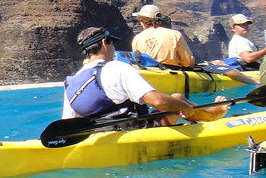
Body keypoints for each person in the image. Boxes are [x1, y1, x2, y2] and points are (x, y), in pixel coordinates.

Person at [62, 27, 227, 124]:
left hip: (98, 133)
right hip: (132, 132)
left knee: (175, 98)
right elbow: (158, 101)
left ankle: (210, 112)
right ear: (105, 43)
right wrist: (185, 108)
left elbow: (68, 122)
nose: (113, 47)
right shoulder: (119, 68)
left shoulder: (73, 80)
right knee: (177, 99)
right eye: (112, 42)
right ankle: (214, 114)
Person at [129, 4, 194, 67]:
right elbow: (187, 62)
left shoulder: (137, 39)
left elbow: (137, 60)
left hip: (148, 74)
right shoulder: (175, 35)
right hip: (172, 75)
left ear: (142, 21)